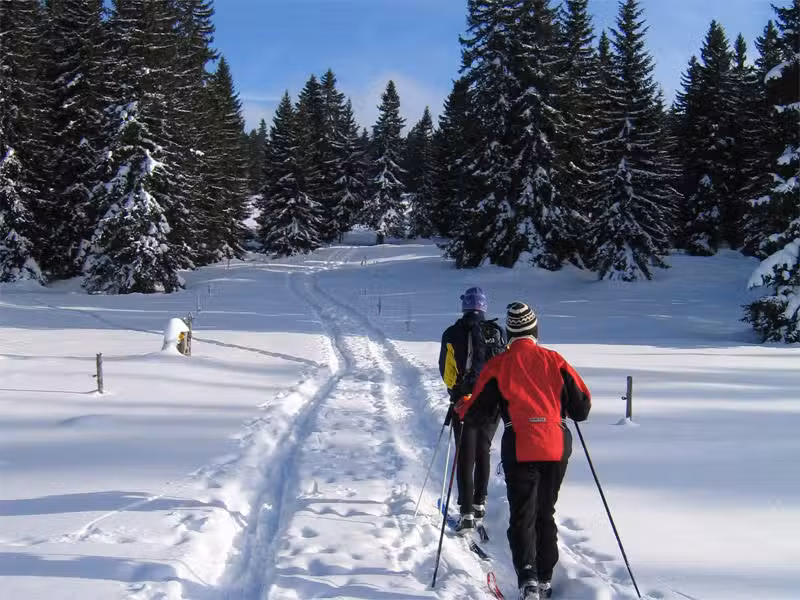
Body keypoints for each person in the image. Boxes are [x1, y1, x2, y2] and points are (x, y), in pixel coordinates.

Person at [456, 302, 591, 600]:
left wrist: (461, 404)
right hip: (556, 443)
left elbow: (477, 414)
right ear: (534, 330)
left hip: (520, 443)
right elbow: (581, 407)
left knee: (522, 514)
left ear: (509, 332)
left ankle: (528, 578)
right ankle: (545, 578)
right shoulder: (555, 360)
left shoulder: (499, 365)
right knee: (545, 511)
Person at [438, 287, 506, 535]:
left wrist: (454, 392)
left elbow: (447, 370)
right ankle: (479, 504)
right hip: (492, 403)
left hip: (464, 401)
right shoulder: (497, 332)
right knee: (483, 450)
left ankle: (466, 512)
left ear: (464, 306)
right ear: (484, 307)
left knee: (465, 454)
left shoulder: (452, 332)